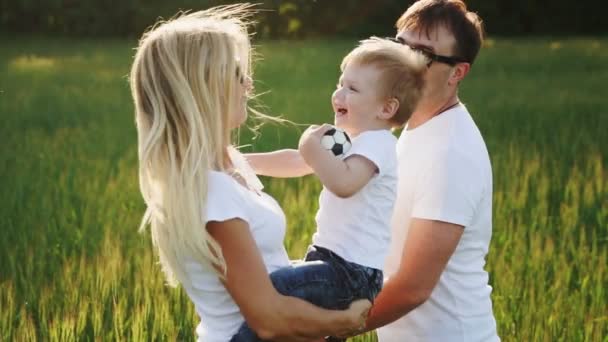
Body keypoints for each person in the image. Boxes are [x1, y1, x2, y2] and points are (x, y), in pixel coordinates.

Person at [129, 4, 371, 342]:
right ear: (202, 88)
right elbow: (268, 319)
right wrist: (343, 322)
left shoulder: (226, 166)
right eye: (237, 74)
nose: (249, 84)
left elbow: (295, 164)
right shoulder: (213, 191)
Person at [235, 38, 427, 341]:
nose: (339, 93)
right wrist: (239, 161)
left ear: (386, 107)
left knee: (272, 290)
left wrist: (310, 148)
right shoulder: (348, 139)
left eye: (353, 88)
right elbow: (298, 162)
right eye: (340, 83)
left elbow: (344, 184)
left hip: (351, 274)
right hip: (328, 263)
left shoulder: (379, 143)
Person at [350, 1, 500, 341]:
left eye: (422, 54)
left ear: (457, 73)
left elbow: (413, 287)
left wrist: (326, 331)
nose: (403, 62)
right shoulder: (411, 125)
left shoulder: (451, 151)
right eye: (399, 46)